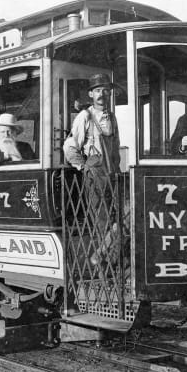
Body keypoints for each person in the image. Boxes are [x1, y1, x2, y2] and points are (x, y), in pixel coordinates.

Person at [63, 73, 121, 266]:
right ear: (91, 94)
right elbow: (69, 147)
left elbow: (116, 148)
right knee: (101, 218)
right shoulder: (85, 116)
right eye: (97, 90)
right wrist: (84, 167)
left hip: (112, 173)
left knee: (118, 216)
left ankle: (106, 258)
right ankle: (102, 264)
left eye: (105, 90)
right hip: (95, 174)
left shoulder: (112, 117)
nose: (102, 94)